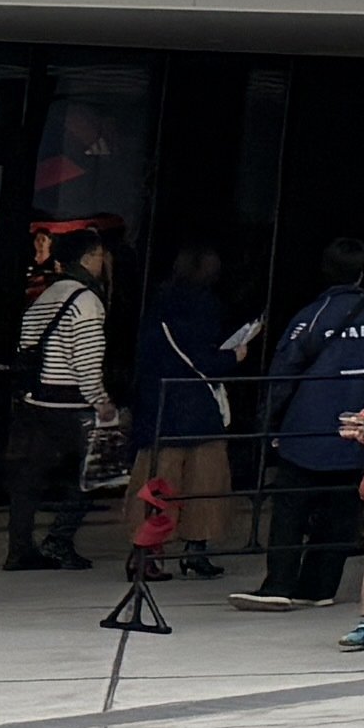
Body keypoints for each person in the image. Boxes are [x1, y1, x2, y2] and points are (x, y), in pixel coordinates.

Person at [249, 243, 364, 605]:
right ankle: (320, 588)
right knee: (341, 510)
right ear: (363, 273)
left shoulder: (312, 315)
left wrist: (268, 422)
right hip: (358, 429)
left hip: (306, 427)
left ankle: (279, 584)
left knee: (290, 509)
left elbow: (284, 372)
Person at [2, 229, 113, 571]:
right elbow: (87, 361)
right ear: (88, 258)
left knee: (28, 479)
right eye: (99, 256)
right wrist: (101, 401)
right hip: (70, 404)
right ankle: (59, 540)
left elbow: (25, 345)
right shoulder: (87, 301)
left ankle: (20, 548)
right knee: (92, 473)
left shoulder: (45, 295)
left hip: (36, 400)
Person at [144, 244, 241, 572]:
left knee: (159, 482)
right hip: (198, 405)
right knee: (206, 482)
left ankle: (147, 554)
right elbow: (205, 359)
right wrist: (233, 356)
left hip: (159, 404)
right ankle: (196, 550)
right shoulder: (205, 305)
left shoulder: (159, 302)